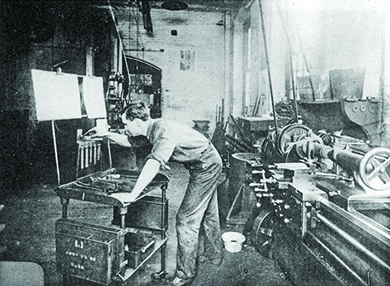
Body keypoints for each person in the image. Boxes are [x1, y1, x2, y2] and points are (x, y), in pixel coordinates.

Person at [89, 101, 223, 286]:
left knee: (186, 220)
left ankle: (185, 275)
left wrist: (133, 194)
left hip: (206, 166)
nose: (125, 128)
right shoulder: (149, 129)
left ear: (136, 121)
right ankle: (214, 255)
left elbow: (154, 162)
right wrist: (106, 134)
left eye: (126, 124)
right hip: (204, 162)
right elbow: (128, 142)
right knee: (208, 212)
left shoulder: (161, 130)